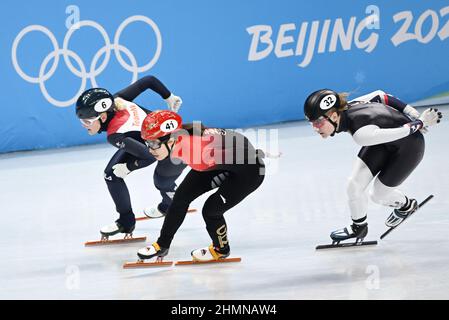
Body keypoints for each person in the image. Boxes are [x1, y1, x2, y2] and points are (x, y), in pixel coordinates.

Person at [303, 89, 442, 243]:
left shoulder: (361, 135)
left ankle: (407, 206)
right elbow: (381, 96)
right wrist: (414, 114)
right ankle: (359, 228)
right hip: (383, 141)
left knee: (378, 195)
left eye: (318, 122)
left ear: (334, 116)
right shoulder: (350, 106)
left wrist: (420, 121)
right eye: (312, 123)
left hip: (409, 147)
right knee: (353, 185)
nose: (315, 128)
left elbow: (402, 131)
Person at [135, 111, 265, 261]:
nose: (150, 149)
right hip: (219, 163)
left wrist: (257, 154)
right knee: (180, 199)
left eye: (153, 143)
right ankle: (162, 245)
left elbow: (247, 156)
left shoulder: (199, 150)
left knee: (211, 210)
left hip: (249, 170)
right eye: (148, 143)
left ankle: (221, 250)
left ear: (170, 141)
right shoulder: (182, 138)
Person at [75, 76, 187, 239]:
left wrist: (128, 167)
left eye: (87, 121)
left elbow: (149, 156)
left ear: (103, 117)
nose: (84, 126)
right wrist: (168, 96)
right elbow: (148, 80)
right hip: (153, 140)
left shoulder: (114, 134)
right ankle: (126, 222)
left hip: (175, 147)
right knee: (111, 174)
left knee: (162, 181)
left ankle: (170, 204)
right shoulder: (117, 100)